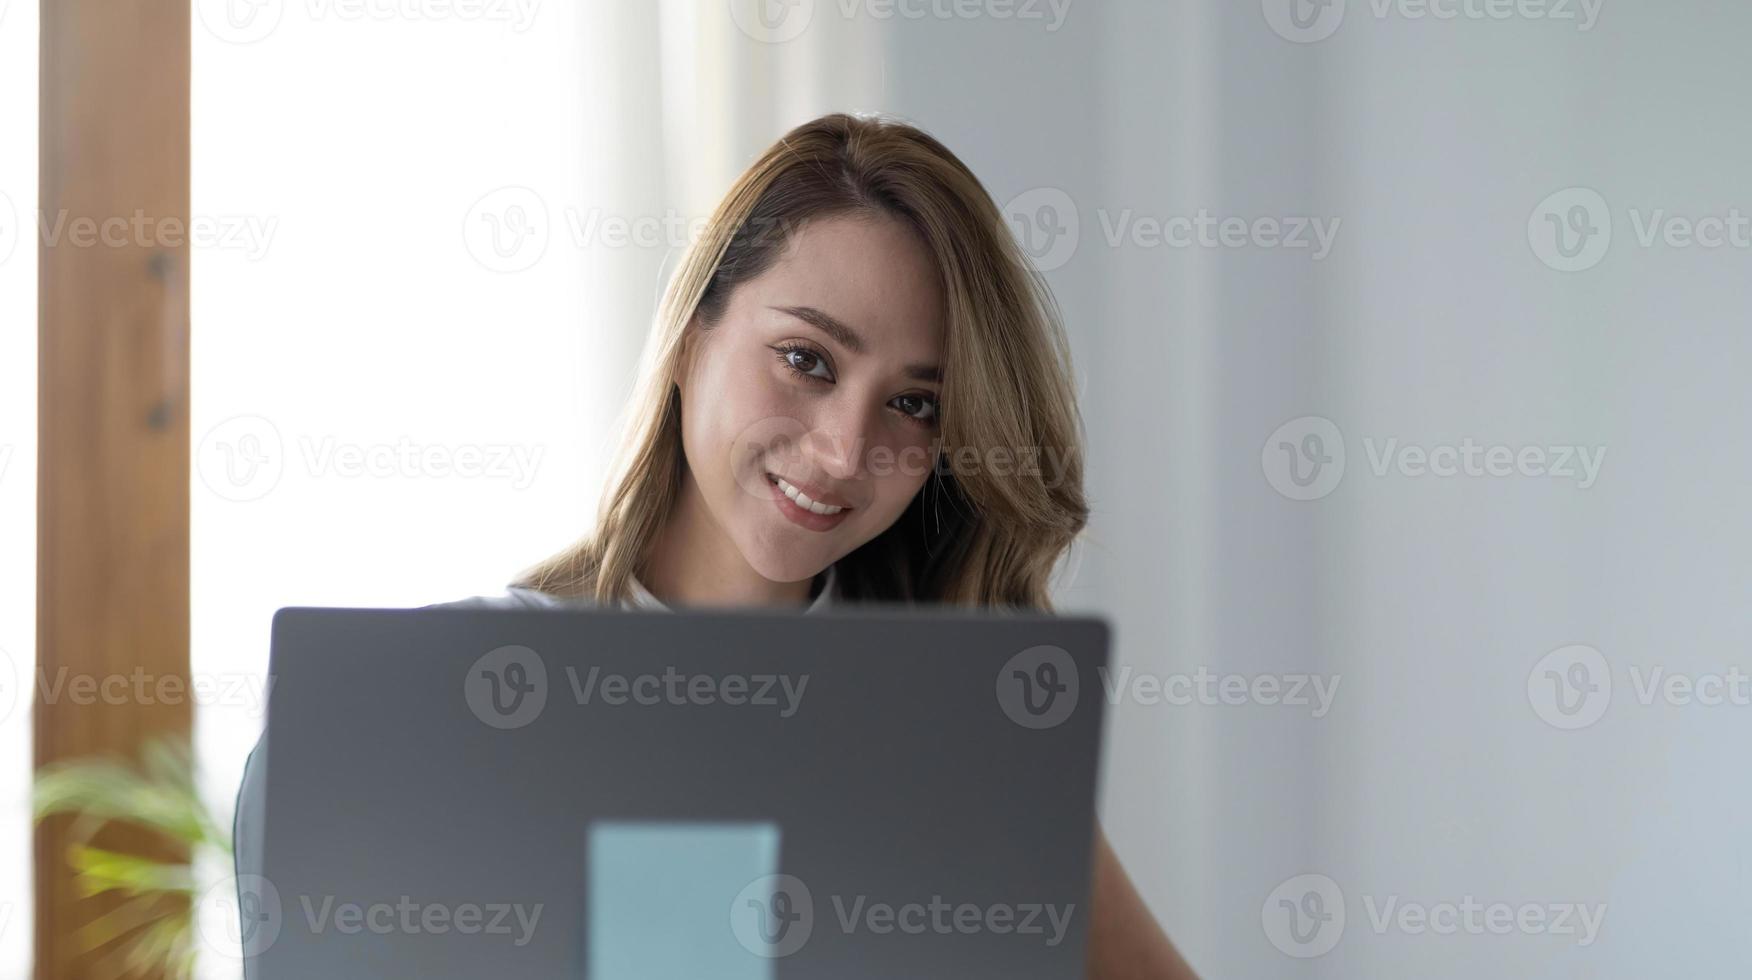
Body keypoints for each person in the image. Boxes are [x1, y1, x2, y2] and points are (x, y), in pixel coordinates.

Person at [235, 111, 1195, 978]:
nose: (844, 449)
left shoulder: (966, 733)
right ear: (692, 338)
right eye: (806, 360)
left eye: (913, 404)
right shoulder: (430, 702)